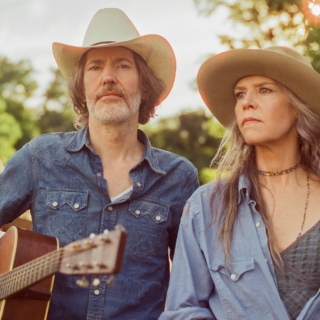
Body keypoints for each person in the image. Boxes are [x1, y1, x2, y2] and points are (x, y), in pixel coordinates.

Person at [0, 8, 199, 320]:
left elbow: (191, 288)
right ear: (82, 86)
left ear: (144, 85)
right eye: (95, 67)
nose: (108, 77)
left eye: (122, 65)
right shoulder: (40, 157)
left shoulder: (179, 177)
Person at [159, 46, 320, 320]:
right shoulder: (206, 207)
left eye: (264, 90)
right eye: (240, 94)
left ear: (297, 106)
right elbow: (182, 310)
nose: (247, 102)